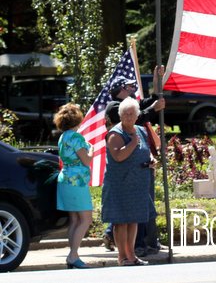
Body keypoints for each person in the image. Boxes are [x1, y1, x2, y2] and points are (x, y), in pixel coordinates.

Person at [102, 66, 165, 255]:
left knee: (138, 211)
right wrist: (153, 109)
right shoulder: (114, 107)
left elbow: (152, 100)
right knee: (126, 216)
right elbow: (138, 118)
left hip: (139, 171)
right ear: (120, 89)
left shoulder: (132, 110)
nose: (133, 89)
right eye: (129, 87)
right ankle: (130, 250)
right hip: (124, 173)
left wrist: (156, 79)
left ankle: (140, 245)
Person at [101, 97, 156, 266]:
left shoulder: (141, 130)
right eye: (125, 113)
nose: (129, 116)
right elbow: (118, 156)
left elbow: (146, 150)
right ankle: (123, 257)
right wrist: (132, 142)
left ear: (138, 115)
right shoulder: (115, 133)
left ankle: (132, 256)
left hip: (137, 184)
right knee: (121, 222)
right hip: (120, 185)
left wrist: (151, 160)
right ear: (120, 115)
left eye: (132, 113)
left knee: (133, 220)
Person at [55, 103, 94, 269]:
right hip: (77, 182)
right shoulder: (76, 137)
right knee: (86, 219)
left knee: (74, 219)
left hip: (65, 179)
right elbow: (87, 160)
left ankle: (72, 255)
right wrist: (92, 149)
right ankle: (73, 255)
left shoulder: (63, 137)